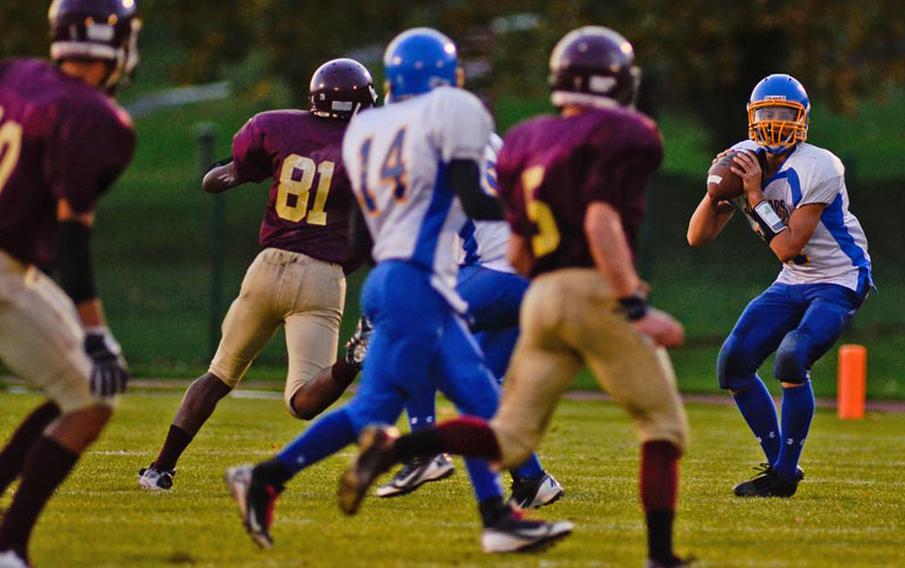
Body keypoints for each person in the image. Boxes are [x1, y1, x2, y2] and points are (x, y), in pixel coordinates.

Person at [338, 26, 691, 568]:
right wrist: (635, 306)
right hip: (589, 289)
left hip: (541, 295)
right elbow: (599, 220)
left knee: (506, 433)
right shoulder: (629, 132)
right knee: (662, 426)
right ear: (617, 82)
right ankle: (661, 556)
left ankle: (400, 449)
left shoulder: (526, 139)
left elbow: (522, 252)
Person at [224, 28, 572, 554]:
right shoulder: (445, 123)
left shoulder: (370, 134)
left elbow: (364, 229)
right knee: (474, 393)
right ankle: (489, 505)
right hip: (420, 282)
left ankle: (266, 478)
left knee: (387, 408)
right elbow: (476, 200)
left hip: (393, 278)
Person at [137, 58, 377, 491]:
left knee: (219, 375)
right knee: (302, 401)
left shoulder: (275, 126)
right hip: (322, 277)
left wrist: (232, 173)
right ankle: (352, 360)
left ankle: (160, 468)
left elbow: (218, 179)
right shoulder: (368, 146)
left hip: (268, 267)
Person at [0, 1, 141, 565]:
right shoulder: (98, 119)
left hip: (15, 266)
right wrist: (96, 331)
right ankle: (10, 548)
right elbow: (71, 238)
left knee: (83, 390)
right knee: (90, 397)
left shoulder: (16, 73)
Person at [687, 74, 872, 497]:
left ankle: (785, 474)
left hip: (839, 277)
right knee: (733, 364)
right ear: (752, 118)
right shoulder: (743, 158)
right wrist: (715, 191)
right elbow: (697, 238)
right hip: (795, 280)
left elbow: (788, 246)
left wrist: (753, 195)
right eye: (766, 113)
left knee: (792, 357)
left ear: (802, 119)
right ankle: (779, 467)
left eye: (784, 113)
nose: (775, 122)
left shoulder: (819, 165)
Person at [378, 133, 564, 510]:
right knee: (478, 384)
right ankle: (532, 479)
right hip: (534, 273)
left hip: (496, 271)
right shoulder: (489, 141)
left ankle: (427, 448)